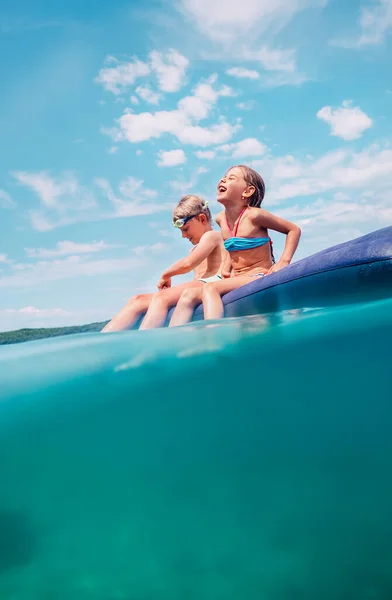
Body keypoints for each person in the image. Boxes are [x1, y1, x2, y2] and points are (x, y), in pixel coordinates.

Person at [169, 165, 301, 326]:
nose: (223, 180)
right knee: (188, 295)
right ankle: (176, 339)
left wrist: (283, 262)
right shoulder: (221, 219)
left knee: (210, 289)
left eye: (231, 178)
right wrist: (225, 270)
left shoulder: (255, 215)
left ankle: (214, 335)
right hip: (237, 277)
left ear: (247, 191)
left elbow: (293, 229)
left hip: (257, 274)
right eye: (224, 177)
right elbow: (231, 249)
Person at [101, 195, 226, 332]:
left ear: (202, 219)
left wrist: (166, 275)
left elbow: (188, 264)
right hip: (199, 285)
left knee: (161, 298)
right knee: (137, 300)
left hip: (211, 283)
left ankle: (146, 343)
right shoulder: (196, 247)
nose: (183, 236)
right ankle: (102, 339)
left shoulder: (212, 236)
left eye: (186, 229)